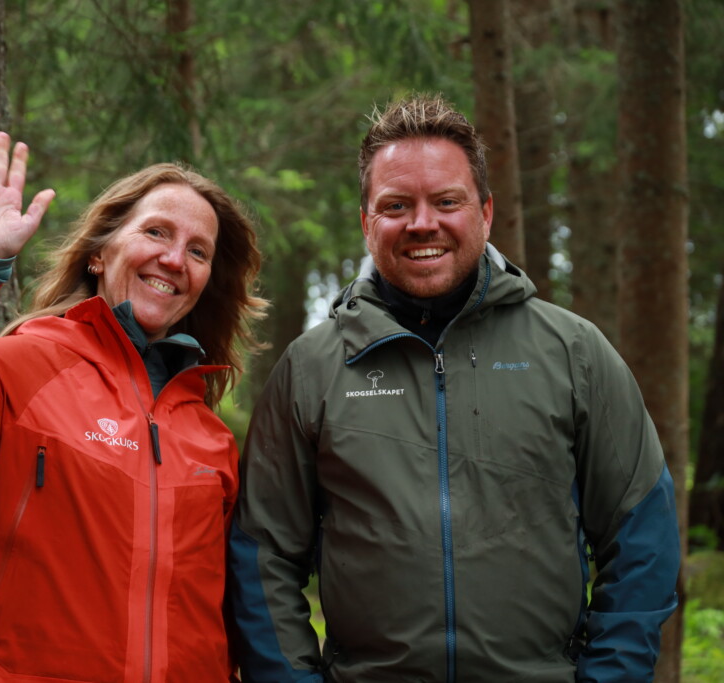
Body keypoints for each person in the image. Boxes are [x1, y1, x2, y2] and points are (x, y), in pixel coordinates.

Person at [227, 95, 680, 682]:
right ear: (366, 222)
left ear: (485, 213)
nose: (423, 223)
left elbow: (641, 532)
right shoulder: (311, 369)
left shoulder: (574, 353)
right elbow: (262, 556)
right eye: (396, 205)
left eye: (446, 201)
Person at [0, 132, 266, 682]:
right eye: (155, 232)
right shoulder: (26, 366)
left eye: (198, 251)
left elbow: (227, 613)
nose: (174, 259)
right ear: (99, 254)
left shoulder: (209, 437)